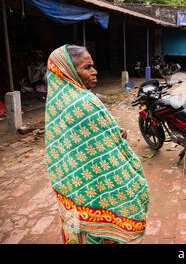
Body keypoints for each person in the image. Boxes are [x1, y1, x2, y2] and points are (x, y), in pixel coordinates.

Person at [44, 44, 149, 244]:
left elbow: (81, 137)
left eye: (93, 66)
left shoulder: (58, 101)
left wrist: (111, 133)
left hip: (72, 192)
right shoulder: (84, 102)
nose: (95, 72)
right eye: (87, 68)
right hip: (95, 196)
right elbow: (106, 148)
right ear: (69, 71)